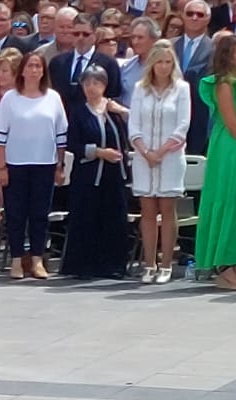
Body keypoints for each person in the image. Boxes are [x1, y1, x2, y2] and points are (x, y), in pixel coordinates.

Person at [0, 51, 65, 279]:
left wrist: (60, 166)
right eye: (30, 66)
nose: (34, 70)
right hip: (15, 165)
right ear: (22, 70)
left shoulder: (53, 98)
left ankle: (37, 259)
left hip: (44, 164)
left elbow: (61, 136)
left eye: (38, 66)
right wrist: (1, 168)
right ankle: (16, 260)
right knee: (16, 214)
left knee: (39, 214)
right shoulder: (10, 99)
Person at [195, 35, 236, 290]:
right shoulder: (224, 84)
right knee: (231, 198)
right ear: (227, 56)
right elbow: (231, 121)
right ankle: (223, 264)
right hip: (232, 147)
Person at [61, 64, 131, 279]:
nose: (91, 87)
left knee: (114, 220)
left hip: (114, 175)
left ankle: (113, 265)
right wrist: (99, 152)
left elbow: (132, 131)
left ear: (105, 85)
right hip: (88, 176)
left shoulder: (113, 110)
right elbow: (73, 143)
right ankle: (84, 265)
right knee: (87, 219)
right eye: (87, 83)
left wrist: (123, 112)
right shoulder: (78, 112)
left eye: (96, 83)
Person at [129, 39, 190, 284]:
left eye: (168, 62)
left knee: (167, 209)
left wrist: (161, 151)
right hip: (144, 157)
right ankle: (149, 263)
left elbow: (183, 125)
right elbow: (133, 125)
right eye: (159, 62)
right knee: (147, 210)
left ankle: (166, 264)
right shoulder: (140, 89)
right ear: (152, 64)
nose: (164, 67)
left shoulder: (182, 89)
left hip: (171, 157)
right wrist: (146, 151)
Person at [50, 14, 123, 110]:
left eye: (86, 34)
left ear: (95, 35)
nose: (80, 38)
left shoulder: (109, 64)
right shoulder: (57, 63)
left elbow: (113, 96)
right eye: (76, 34)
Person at [176, 0, 214, 153]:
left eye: (200, 14)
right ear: (183, 16)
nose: (194, 17)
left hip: (200, 116)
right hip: (171, 114)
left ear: (208, 19)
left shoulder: (215, 49)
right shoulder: (169, 45)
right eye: (190, 13)